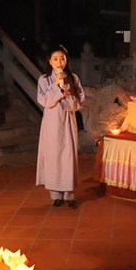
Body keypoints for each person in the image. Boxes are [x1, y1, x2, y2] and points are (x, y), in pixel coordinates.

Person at [36, 45, 85, 209]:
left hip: (68, 120)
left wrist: (68, 96)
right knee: (53, 155)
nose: (59, 62)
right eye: (55, 59)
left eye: (62, 58)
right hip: (52, 122)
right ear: (50, 61)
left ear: (66, 60)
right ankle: (56, 195)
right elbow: (44, 101)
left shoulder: (73, 78)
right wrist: (57, 88)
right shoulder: (44, 80)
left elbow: (79, 101)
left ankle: (69, 195)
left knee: (68, 156)